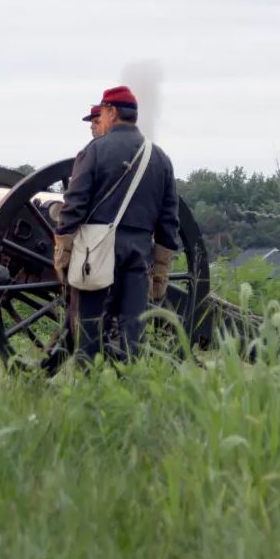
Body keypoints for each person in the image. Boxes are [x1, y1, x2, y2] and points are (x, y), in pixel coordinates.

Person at [53, 86, 180, 364]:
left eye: (103, 111)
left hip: (97, 251)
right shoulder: (160, 158)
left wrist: (63, 247)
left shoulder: (95, 151)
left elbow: (75, 203)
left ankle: (90, 389)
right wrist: (160, 268)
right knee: (132, 329)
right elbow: (169, 218)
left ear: (111, 112)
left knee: (89, 327)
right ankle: (127, 387)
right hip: (138, 253)